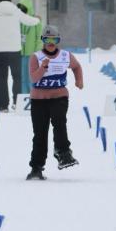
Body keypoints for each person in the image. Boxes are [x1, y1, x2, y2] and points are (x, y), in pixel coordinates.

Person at [26, 26, 83, 180]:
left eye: (54, 40)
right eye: (47, 40)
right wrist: (43, 67)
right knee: (40, 133)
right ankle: (36, 167)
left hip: (59, 97)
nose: (51, 43)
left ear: (58, 41)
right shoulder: (35, 57)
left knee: (59, 123)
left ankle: (63, 153)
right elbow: (34, 79)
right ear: (43, 41)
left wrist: (79, 80)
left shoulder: (66, 56)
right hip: (39, 100)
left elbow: (77, 67)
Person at [18, 0, 44, 95]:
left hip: (32, 54)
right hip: (20, 54)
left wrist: (37, 53)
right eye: (20, 8)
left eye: (23, 8)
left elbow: (39, 38)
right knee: (22, 78)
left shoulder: (36, 22)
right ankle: (24, 98)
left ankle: (33, 97)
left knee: (31, 77)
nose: (21, 10)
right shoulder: (18, 21)